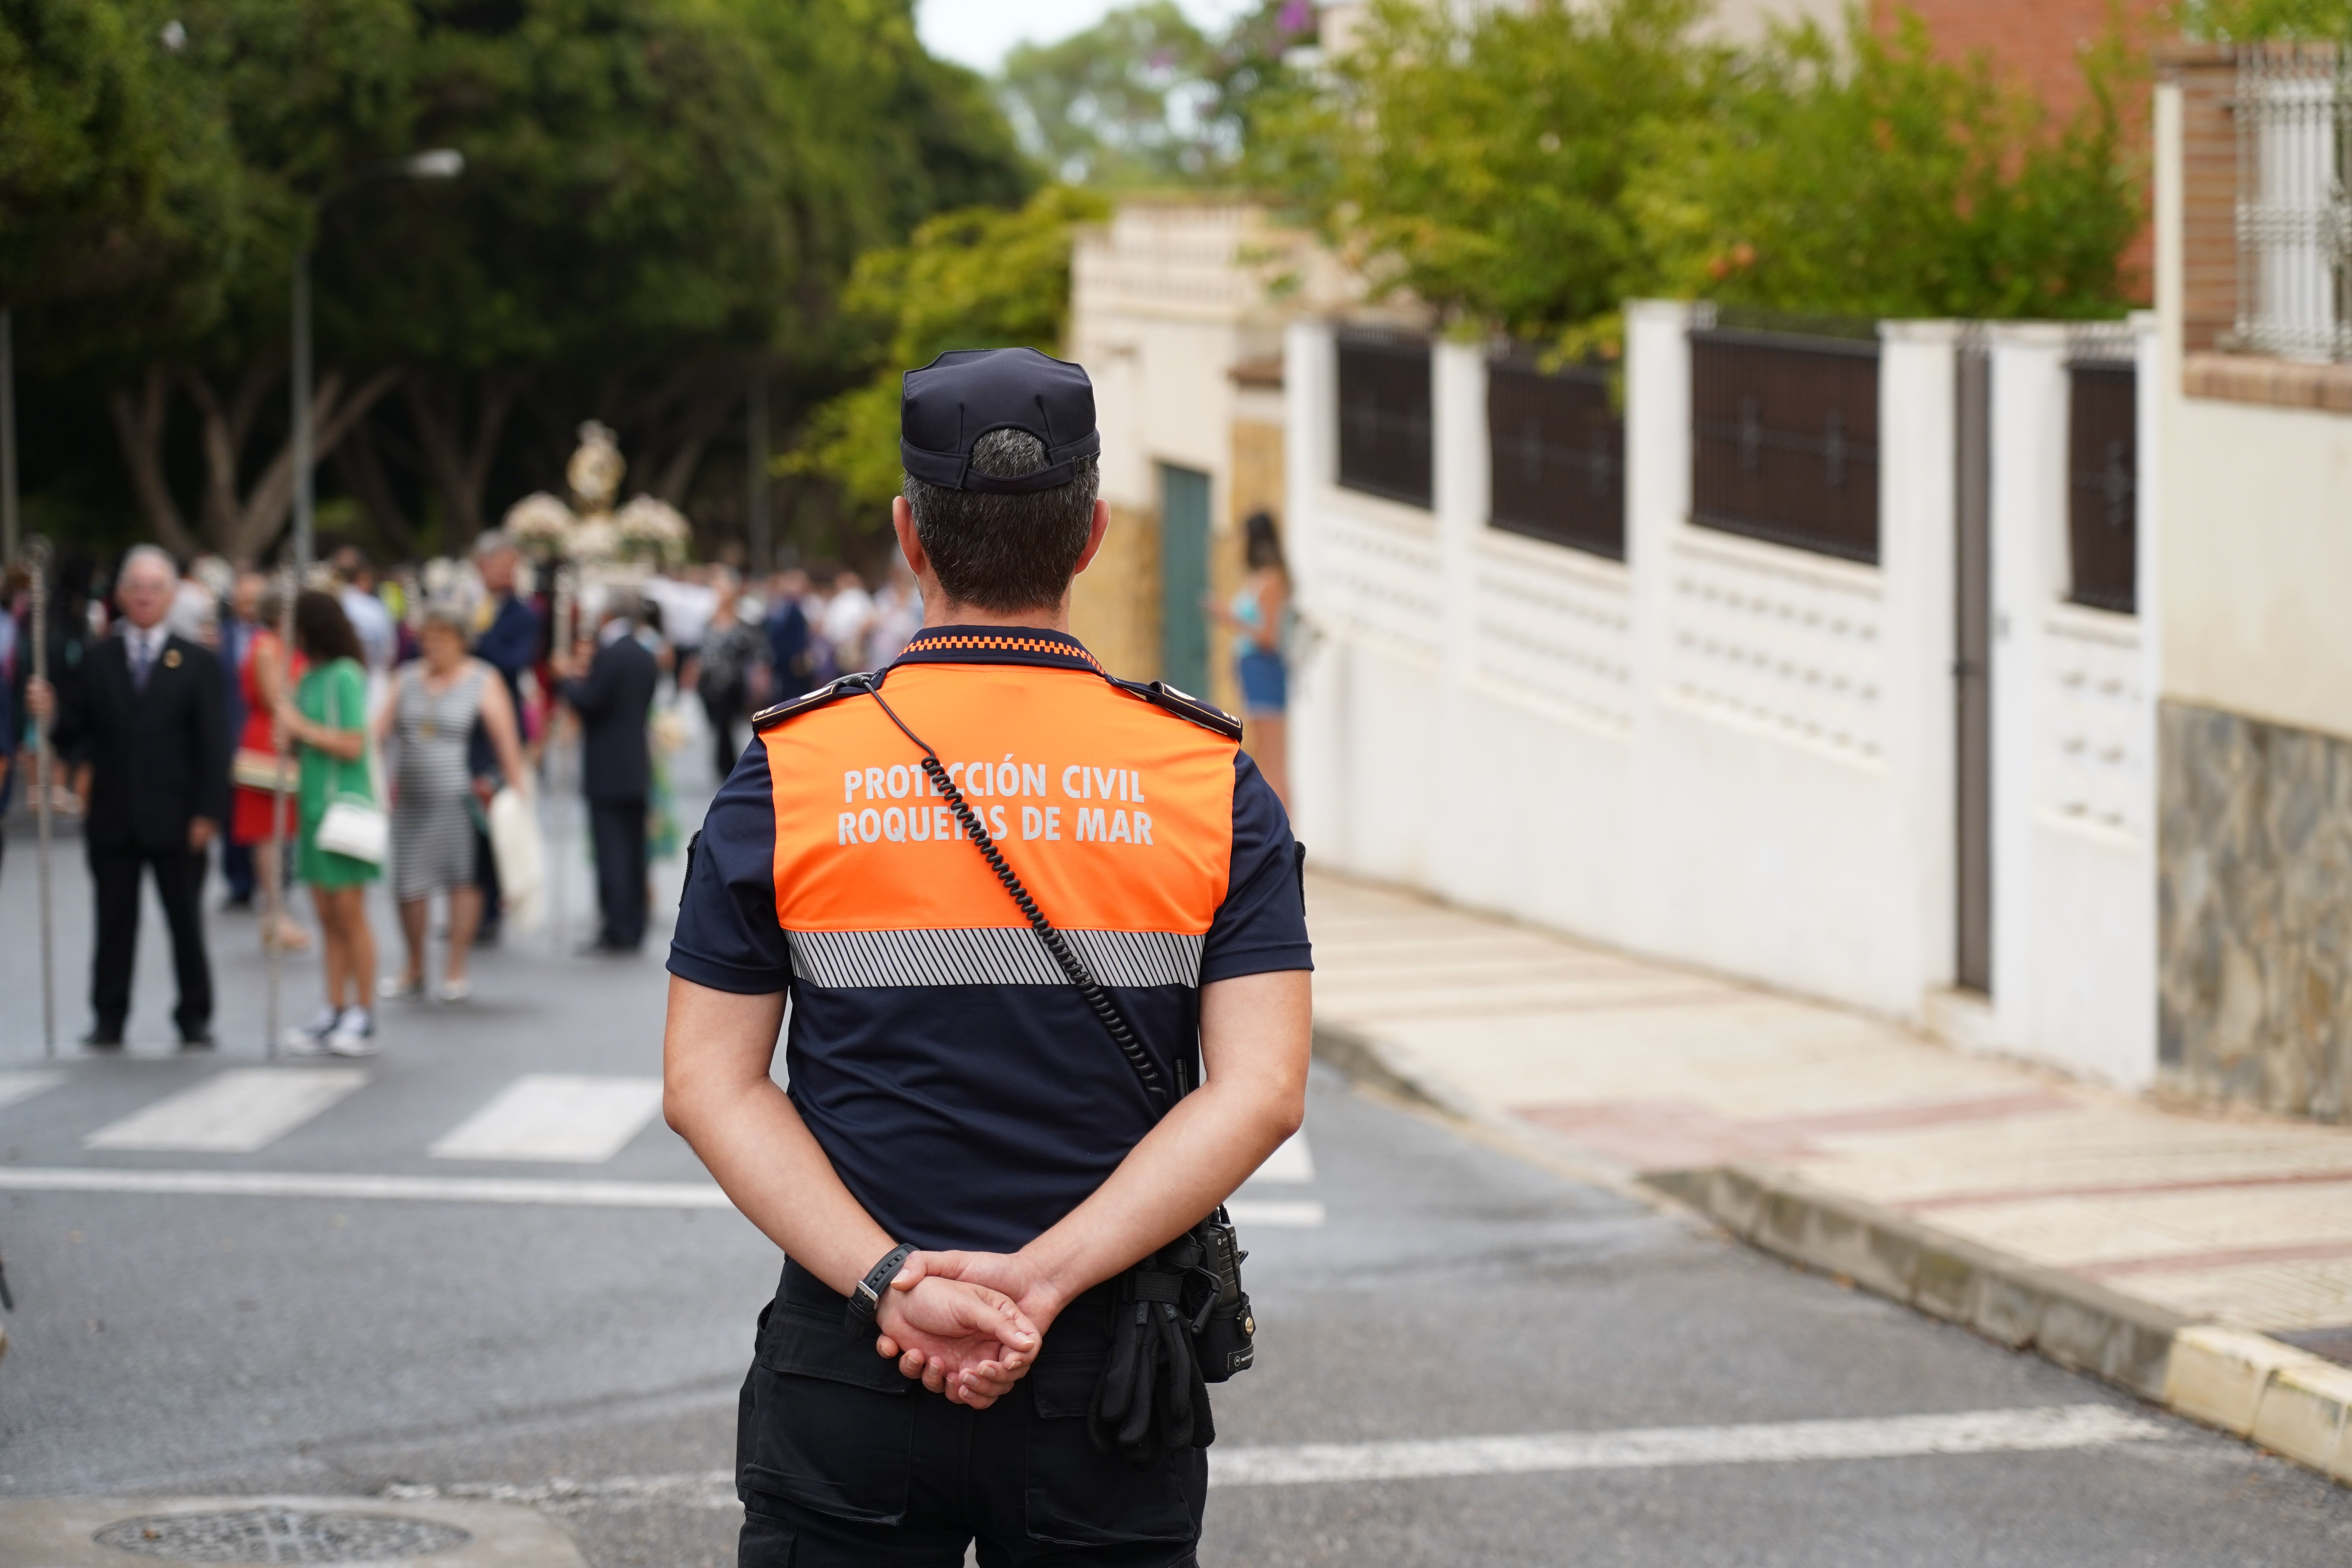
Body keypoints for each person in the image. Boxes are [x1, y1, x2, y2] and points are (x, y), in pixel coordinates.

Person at [662, 347, 1312, 1568]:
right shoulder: (1208, 778)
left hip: (854, 1353)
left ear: (909, 533)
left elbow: (707, 1081)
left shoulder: (792, 769)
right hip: (1105, 1371)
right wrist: (1045, 1281)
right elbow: (1263, 1088)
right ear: (1092, 536)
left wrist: (895, 1281)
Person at [29, 546, 229, 1049]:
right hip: (115, 815)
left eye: (154, 587)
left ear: (170, 595)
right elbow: (77, 732)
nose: (144, 596)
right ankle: (109, 1015)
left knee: (185, 921)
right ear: (119, 595)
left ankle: (194, 1015)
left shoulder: (199, 661)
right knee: (114, 923)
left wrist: (209, 811)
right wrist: (49, 712)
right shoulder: (99, 659)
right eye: (135, 587)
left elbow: (214, 744)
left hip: (177, 814)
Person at [378, 601, 532, 1003]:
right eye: (426, 637)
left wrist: (518, 793)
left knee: (463, 881)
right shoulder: (405, 678)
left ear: (462, 641)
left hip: (461, 799)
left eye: (442, 638)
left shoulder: (483, 679)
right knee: (408, 884)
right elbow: (376, 733)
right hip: (411, 799)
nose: (433, 646)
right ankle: (414, 964)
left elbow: (506, 740)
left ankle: (455, 967)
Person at [275, 590, 382, 1057]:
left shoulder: (344, 675)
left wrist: (300, 729)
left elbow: (354, 744)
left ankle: (363, 1010)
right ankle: (333, 1006)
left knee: (349, 913)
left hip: (343, 804)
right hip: (314, 806)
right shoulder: (309, 676)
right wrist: (292, 739)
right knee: (325, 914)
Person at [553, 587, 657, 953]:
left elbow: (591, 702)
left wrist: (565, 680)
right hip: (636, 762)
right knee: (634, 849)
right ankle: (634, 922)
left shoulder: (610, 656)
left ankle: (617, 925)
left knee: (612, 849)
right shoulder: (646, 655)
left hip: (607, 766)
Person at [224, 572, 310, 952]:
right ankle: (274, 912)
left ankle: (278, 911)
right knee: (269, 833)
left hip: (282, 739)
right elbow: (276, 698)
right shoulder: (267, 647)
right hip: (269, 742)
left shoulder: (279, 644)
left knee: (282, 832)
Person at [468, 530, 540, 943]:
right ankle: (471, 898)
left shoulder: (523, 614)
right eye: (503, 565)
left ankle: (493, 901)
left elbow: (513, 662)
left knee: (496, 808)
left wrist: (477, 642)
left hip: (500, 721)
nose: (510, 573)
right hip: (464, 720)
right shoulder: (465, 602)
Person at [1204, 510, 1294, 810]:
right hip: (1254, 672)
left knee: (1273, 760)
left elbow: (1268, 636)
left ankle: (1287, 836)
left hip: (1265, 671)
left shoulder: (1271, 580)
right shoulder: (1260, 579)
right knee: (1262, 754)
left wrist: (1228, 616)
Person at [695, 573, 764, 780]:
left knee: (727, 725)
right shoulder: (709, 622)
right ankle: (725, 765)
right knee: (718, 726)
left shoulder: (743, 623)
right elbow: (702, 652)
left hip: (732, 684)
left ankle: (727, 767)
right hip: (709, 683)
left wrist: (759, 677)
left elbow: (757, 650)